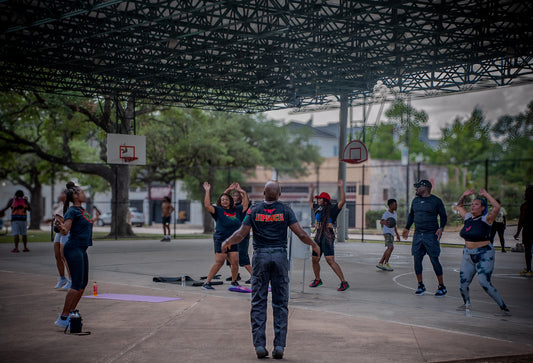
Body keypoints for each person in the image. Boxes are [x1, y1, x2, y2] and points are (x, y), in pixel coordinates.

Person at [221, 181, 320, 359]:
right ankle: (279, 346)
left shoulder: (254, 210)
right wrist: (314, 244)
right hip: (280, 257)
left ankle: (259, 344)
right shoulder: (286, 210)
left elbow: (241, 234)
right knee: (280, 303)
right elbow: (301, 234)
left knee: (258, 301)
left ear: (264, 193)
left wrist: (227, 242)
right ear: (280, 194)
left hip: (260, 257)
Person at [455, 188, 510, 316]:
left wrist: (486, 195)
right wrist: (463, 195)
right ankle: (466, 304)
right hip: (468, 254)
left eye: (476, 204)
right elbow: (459, 206)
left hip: (484, 254)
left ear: (482, 208)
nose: (473, 206)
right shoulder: (468, 217)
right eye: (472, 204)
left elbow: (496, 207)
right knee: (463, 283)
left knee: (484, 282)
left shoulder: (487, 219)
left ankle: (503, 307)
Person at [53, 182, 95, 329]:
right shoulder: (71, 211)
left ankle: (70, 314)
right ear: (76, 196)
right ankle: (63, 317)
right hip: (73, 248)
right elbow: (65, 230)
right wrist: (62, 228)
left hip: (82, 249)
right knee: (76, 285)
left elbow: (86, 223)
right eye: (82, 192)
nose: (85, 194)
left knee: (83, 284)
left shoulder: (82, 210)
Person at [402, 179, 448, 296]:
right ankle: (420, 285)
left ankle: (442, 286)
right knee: (417, 260)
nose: (416, 189)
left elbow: (443, 216)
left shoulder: (436, 201)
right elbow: (411, 215)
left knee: (434, 260)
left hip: (431, 235)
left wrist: (441, 227)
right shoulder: (415, 201)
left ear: (426, 188)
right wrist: (407, 228)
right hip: (418, 235)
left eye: (418, 187)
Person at [201, 182, 249, 290]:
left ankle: (234, 281)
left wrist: (242, 192)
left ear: (230, 201)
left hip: (232, 240)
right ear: (220, 202)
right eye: (222, 200)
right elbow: (207, 205)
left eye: (226, 199)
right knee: (220, 262)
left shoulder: (236, 209)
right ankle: (206, 283)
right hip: (221, 239)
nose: (224, 201)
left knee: (235, 262)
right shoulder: (218, 210)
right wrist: (207, 191)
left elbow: (245, 205)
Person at [308, 180, 349, 291]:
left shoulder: (332, 209)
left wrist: (341, 187)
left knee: (330, 260)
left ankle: (344, 282)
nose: (318, 200)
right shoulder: (317, 208)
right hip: (318, 236)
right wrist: (312, 190)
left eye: (320, 198)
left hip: (327, 236)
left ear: (325, 200)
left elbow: (343, 201)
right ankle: (318, 280)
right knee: (314, 259)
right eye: (318, 198)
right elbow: (310, 202)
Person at [223, 183, 253, 284]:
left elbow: (246, 201)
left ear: (240, 197)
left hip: (241, 235)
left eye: (236, 196)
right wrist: (228, 189)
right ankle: (235, 276)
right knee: (230, 257)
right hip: (230, 235)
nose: (234, 197)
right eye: (233, 195)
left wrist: (242, 191)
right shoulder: (229, 207)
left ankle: (254, 276)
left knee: (243, 256)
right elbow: (222, 199)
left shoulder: (242, 208)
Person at [46, 191, 71, 290]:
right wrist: (52, 219)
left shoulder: (70, 206)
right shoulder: (60, 205)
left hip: (66, 231)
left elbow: (68, 219)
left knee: (64, 256)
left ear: (66, 195)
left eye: (61, 193)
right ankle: (62, 278)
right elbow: (57, 216)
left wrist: (60, 219)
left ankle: (71, 280)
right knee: (57, 256)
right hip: (58, 232)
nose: (59, 195)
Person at [514, 185, 533, 276]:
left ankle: (529, 269)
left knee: (528, 250)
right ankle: (528, 269)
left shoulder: (525, 206)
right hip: (527, 229)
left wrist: (517, 232)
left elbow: (521, 220)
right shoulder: (524, 206)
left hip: (528, 230)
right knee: (528, 250)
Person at [377, 199, 400, 271]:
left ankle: (380, 263)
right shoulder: (386, 214)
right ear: (390, 205)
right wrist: (383, 222)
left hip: (392, 233)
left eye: (396, 204)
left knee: (388, 248)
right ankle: (386, 263)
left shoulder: (395, 214)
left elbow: (394, 225)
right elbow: (381, 221)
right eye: (395, 204)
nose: (396, 206)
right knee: (391, 247)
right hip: (387, 233)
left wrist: (397, 234)